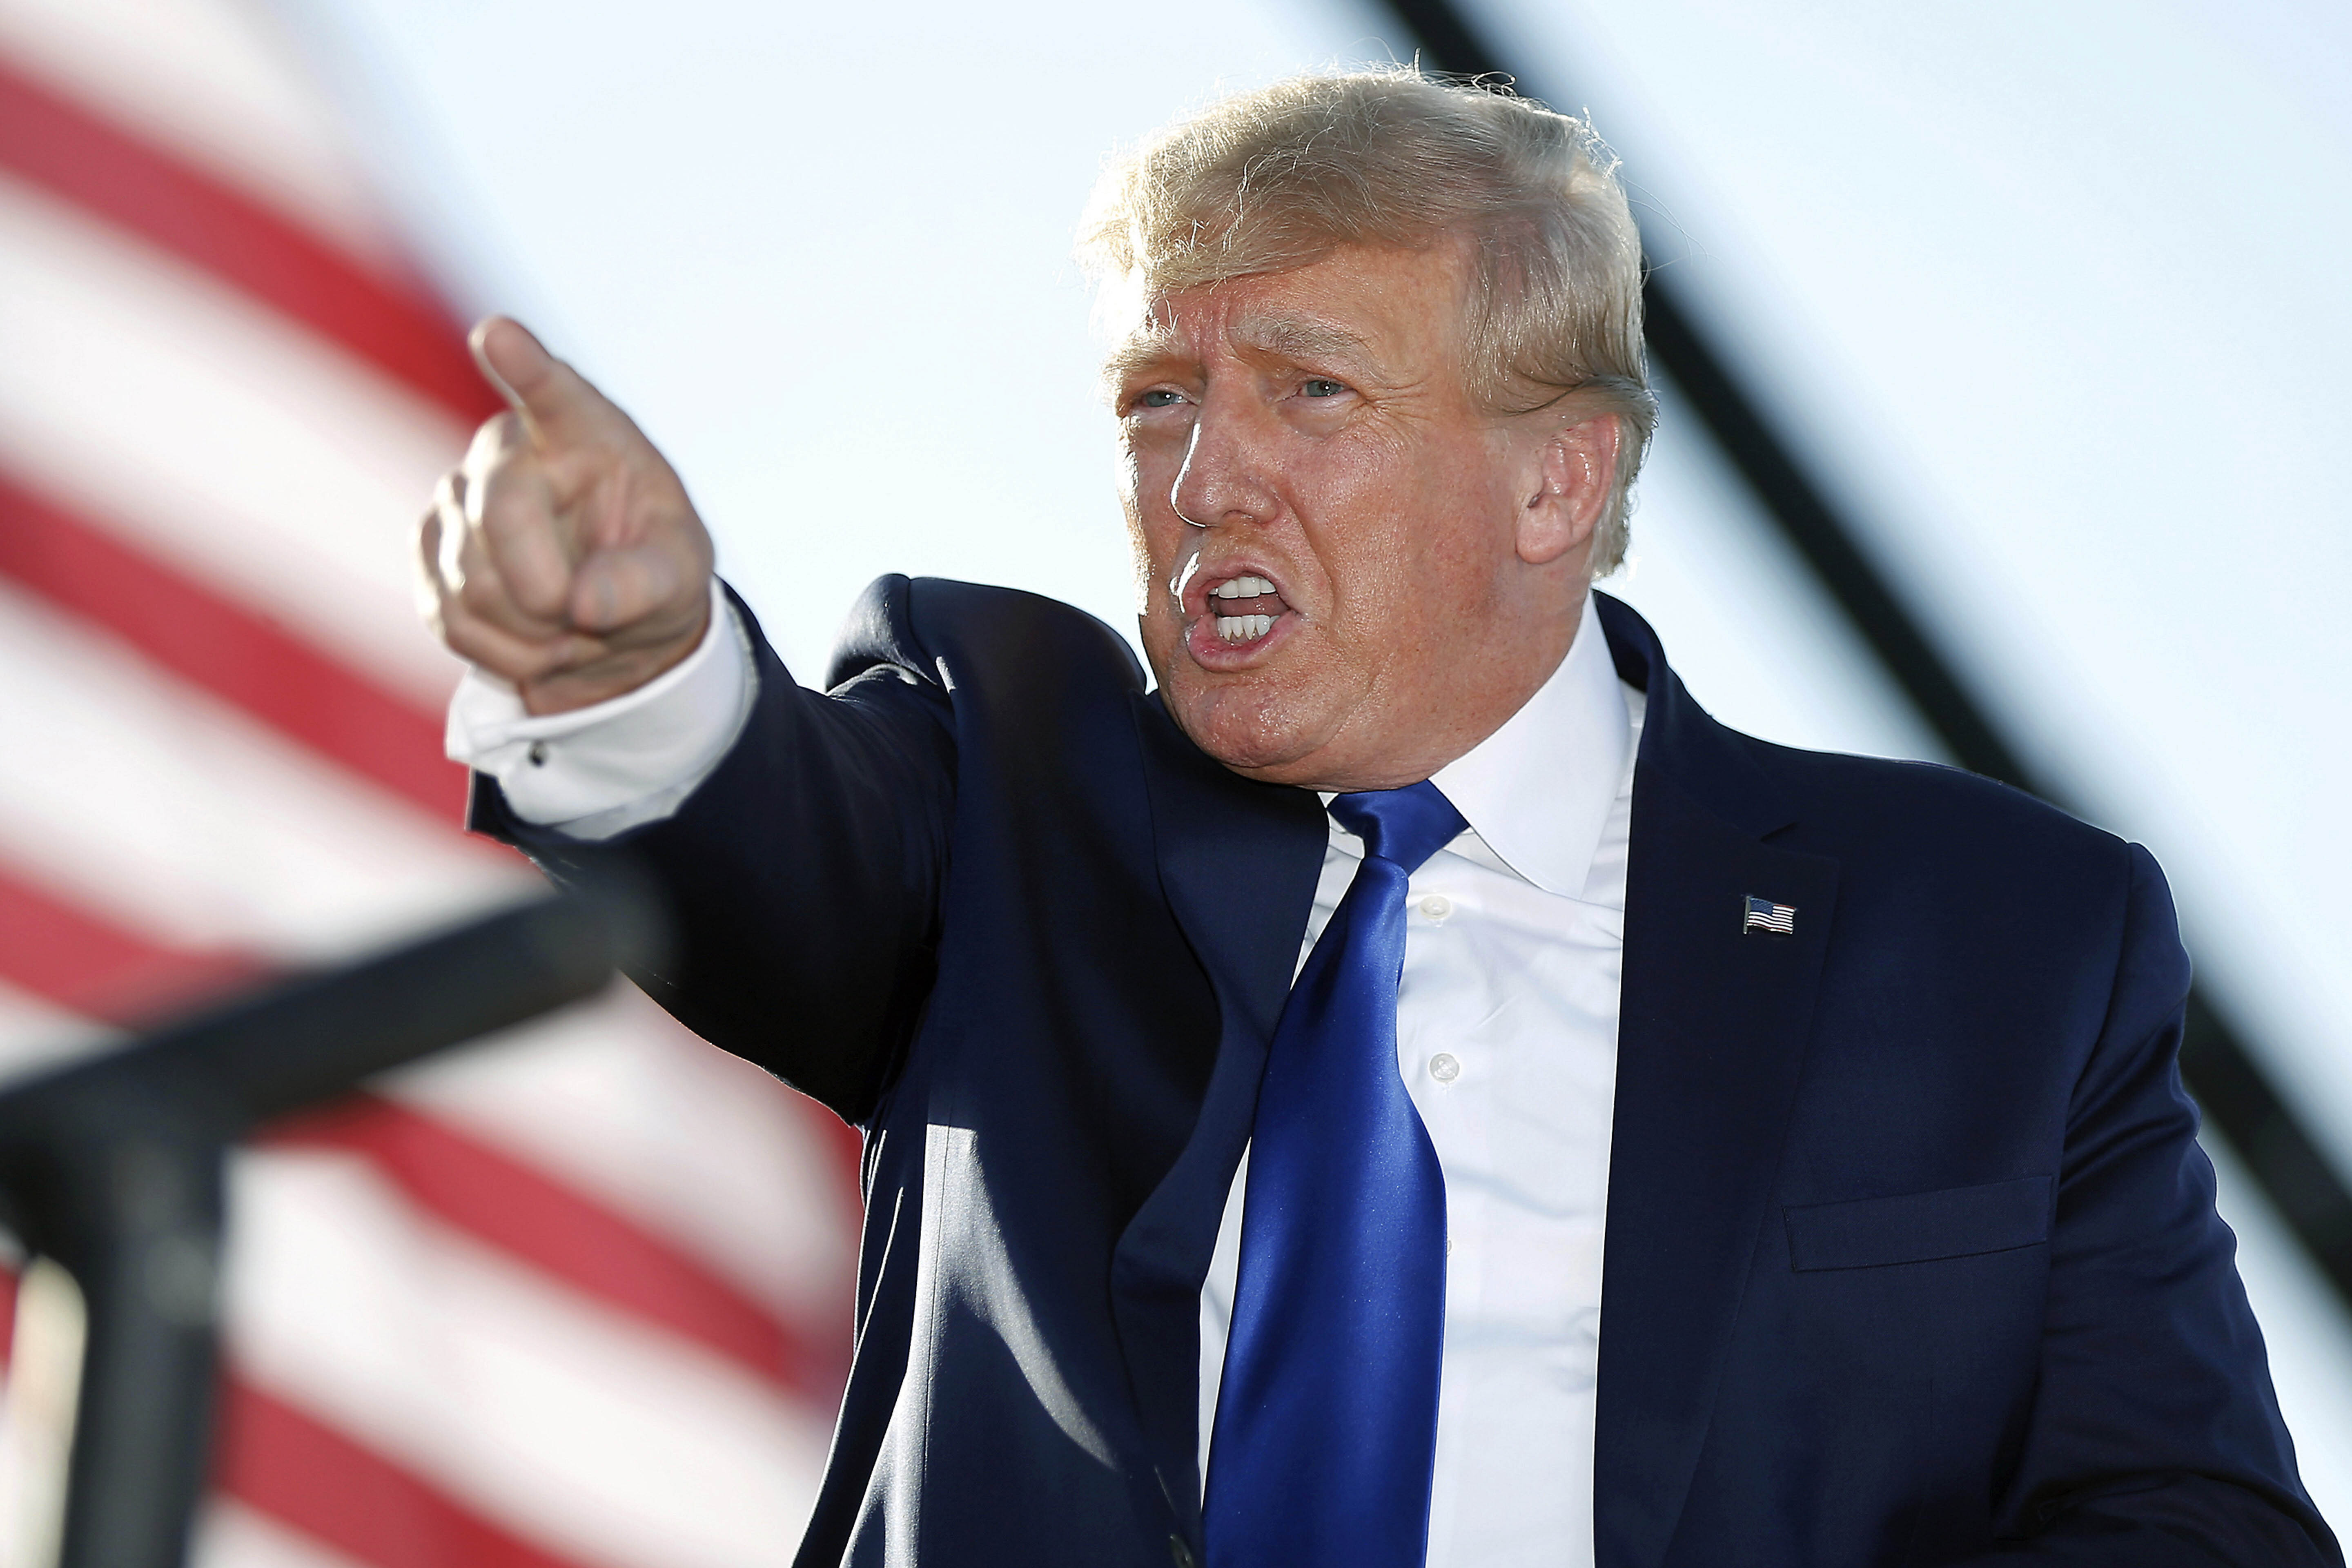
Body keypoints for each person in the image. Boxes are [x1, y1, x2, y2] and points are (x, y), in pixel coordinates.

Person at [416, 68, 2337, 1568]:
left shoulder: (2003, 942)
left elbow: (2196, 1528)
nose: (1204, 480)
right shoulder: (1012, 790)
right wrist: (633, 661)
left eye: (1311, 392)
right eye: (1156, 397)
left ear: (1555, 483)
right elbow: (771, 832)